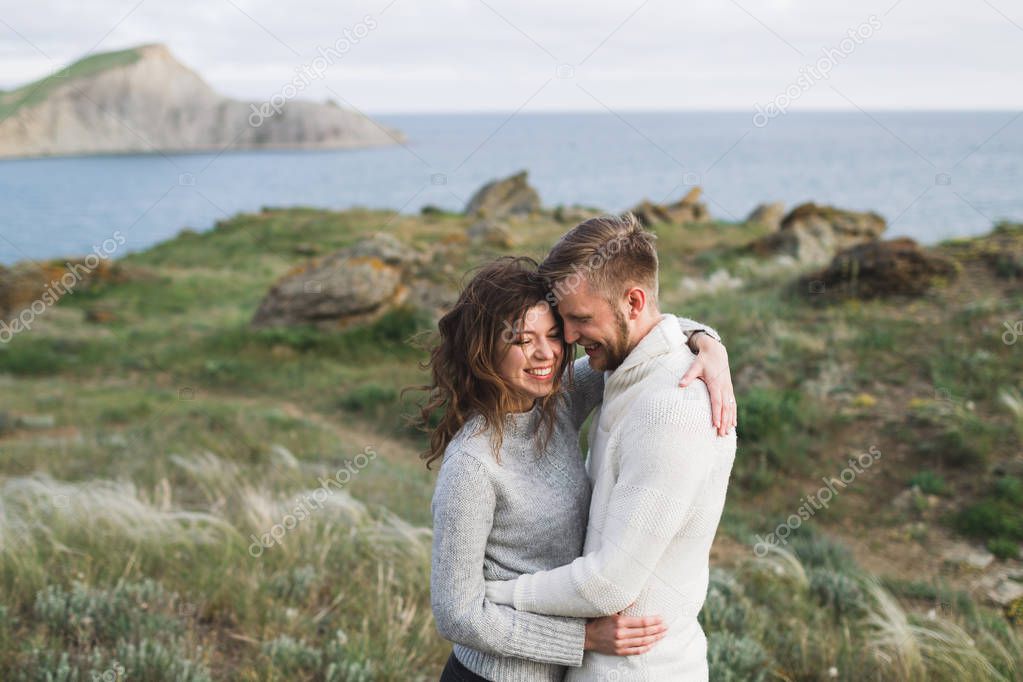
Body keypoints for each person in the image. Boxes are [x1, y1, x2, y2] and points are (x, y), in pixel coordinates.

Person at [414, 252, 734, 681]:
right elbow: (456, 615)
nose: (545, 354)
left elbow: (632, 337)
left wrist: (708, 344)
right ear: (483, 350)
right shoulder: (472, 465)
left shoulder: (554, 401)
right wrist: (581, 640)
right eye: (522, 340)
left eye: (553, 334)